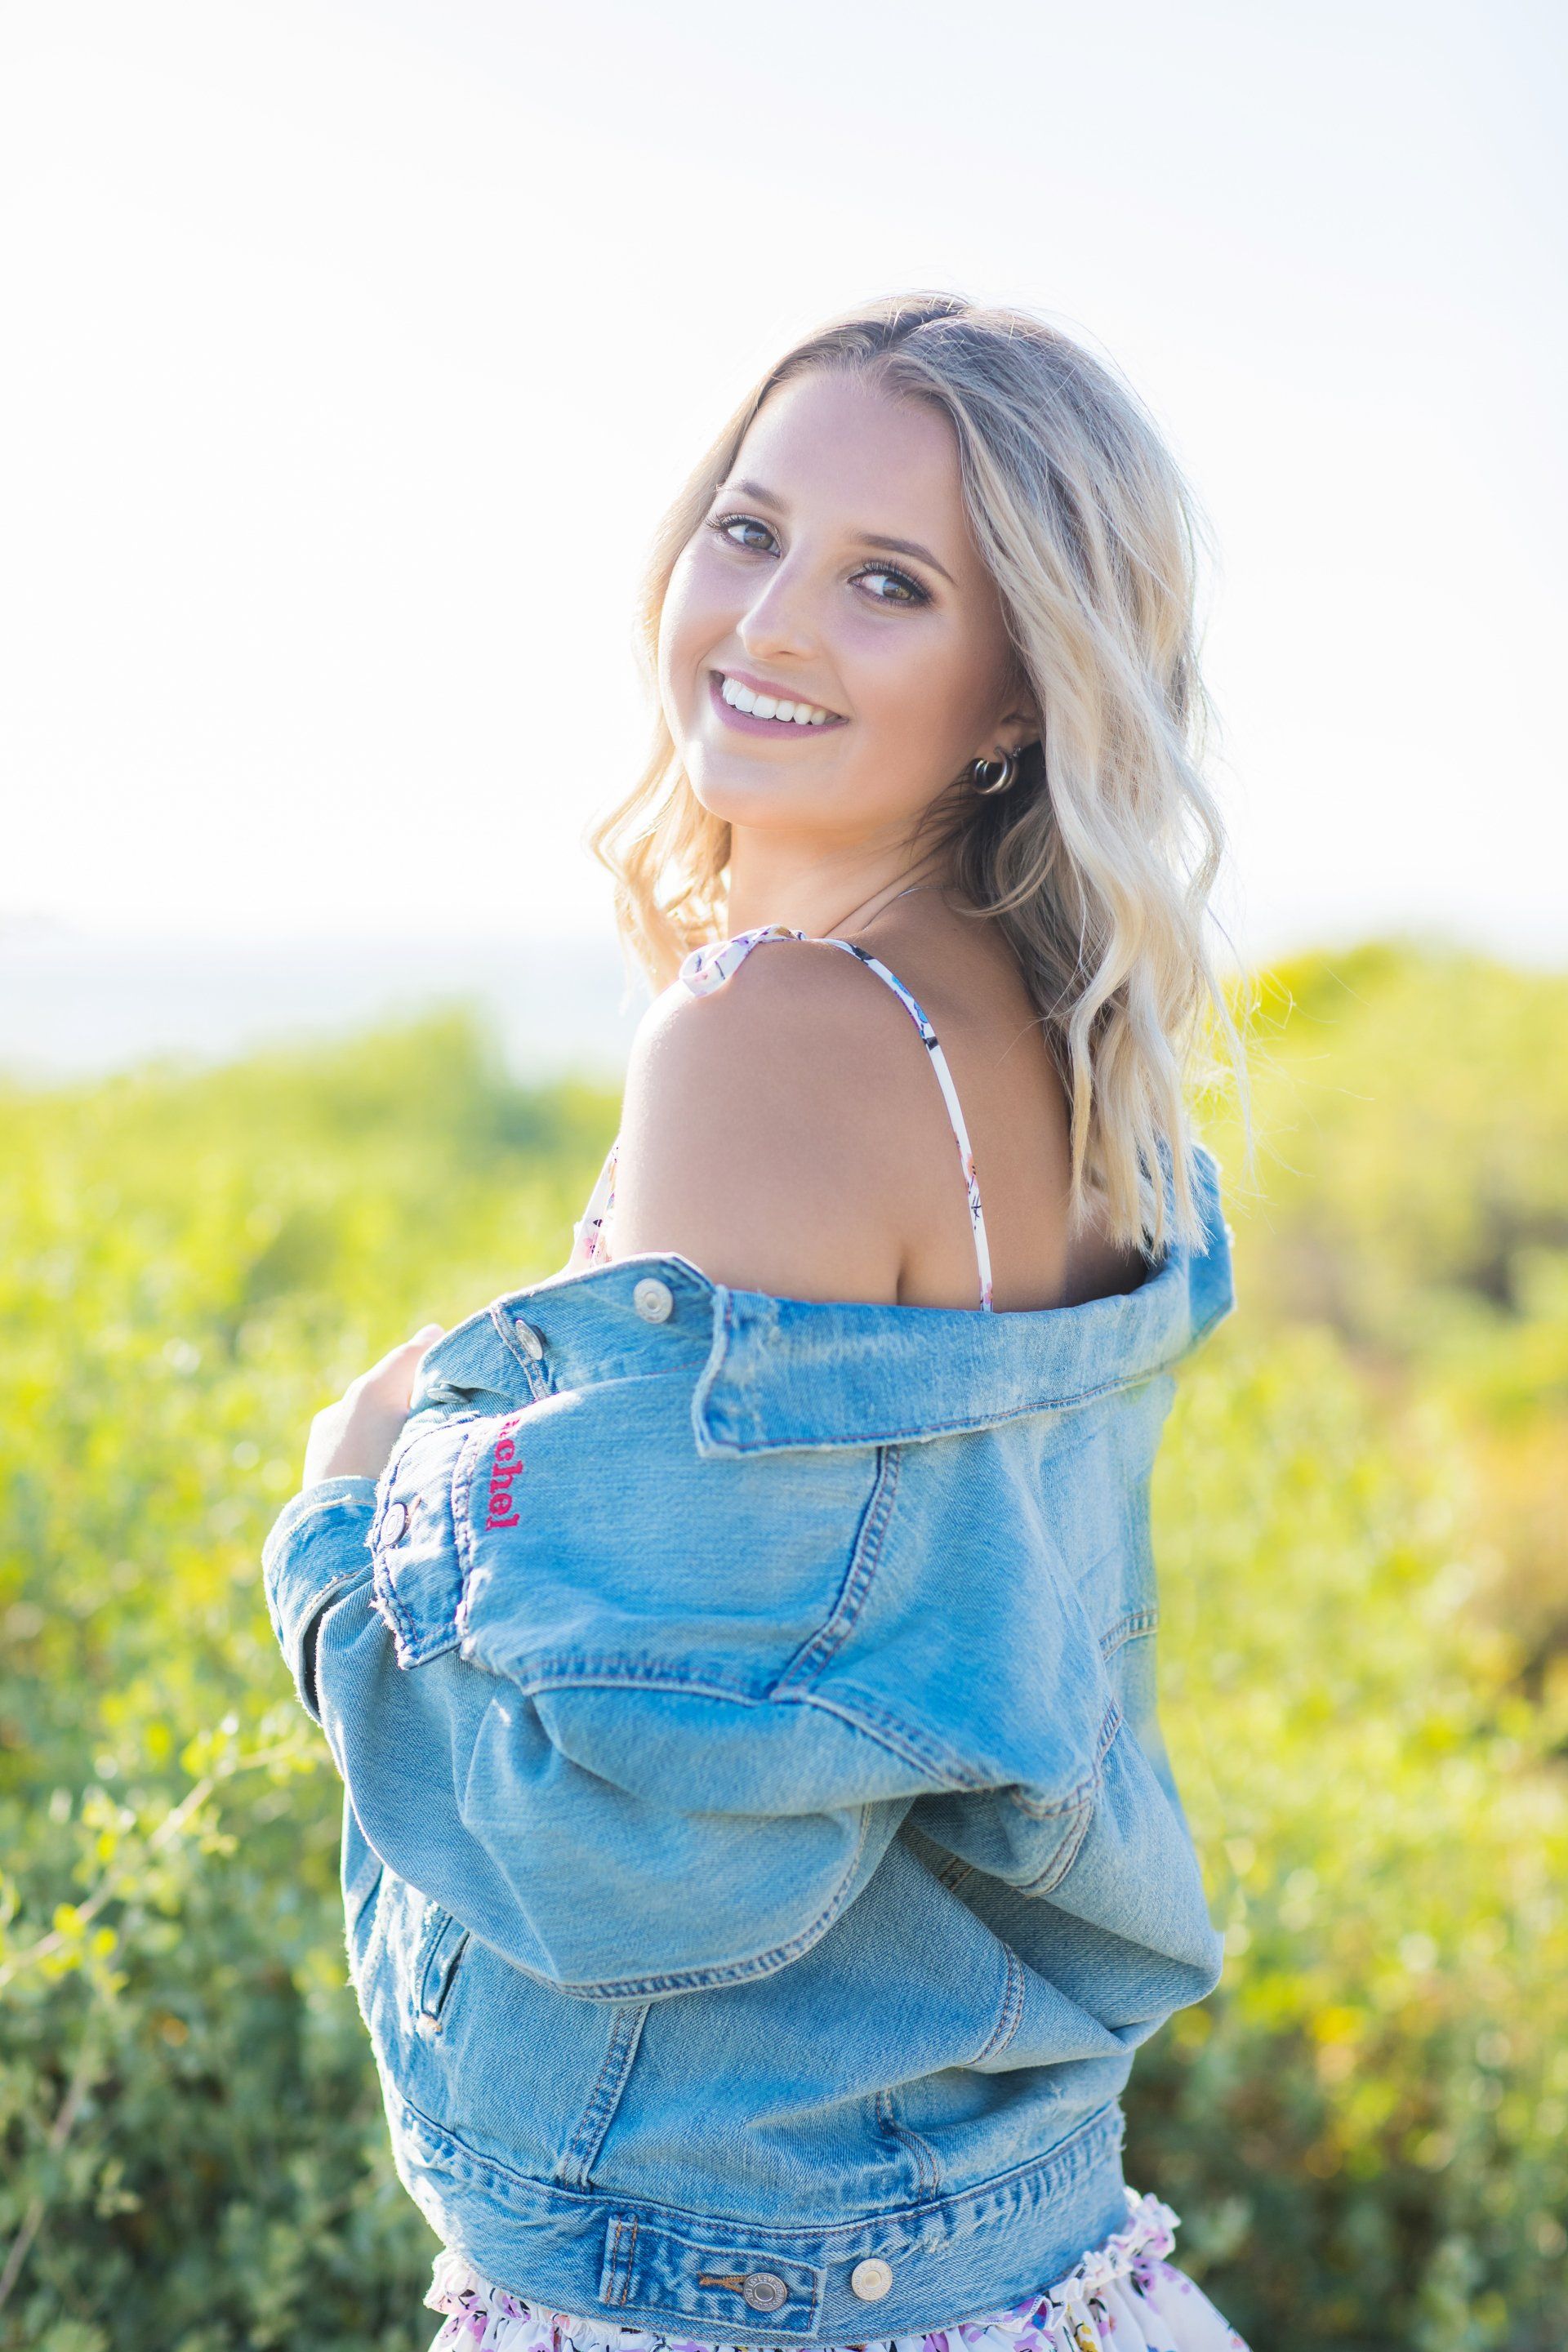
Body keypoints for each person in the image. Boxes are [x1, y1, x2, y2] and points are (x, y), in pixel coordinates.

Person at [262, 291, 1254, 2352]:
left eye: (887, 583)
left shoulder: (766, 1035)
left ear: (1016, 691)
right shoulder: (1059, 1047)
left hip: (726, 2276)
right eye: (750, 528)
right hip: (1017, 2238)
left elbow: (620, 1866)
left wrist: (344, 1536)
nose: (770, 622)